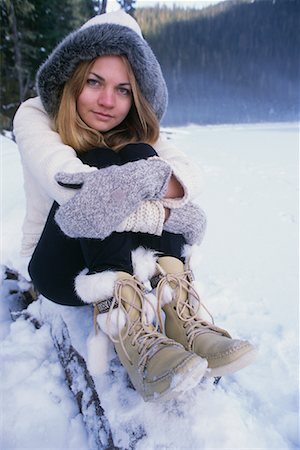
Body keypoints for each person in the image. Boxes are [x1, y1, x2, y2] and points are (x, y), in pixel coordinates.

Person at [13, 10, 256, 402]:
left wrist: (158, 185)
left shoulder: (134, 131)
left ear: (136, 95)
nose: (108, 101)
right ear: (73, 79)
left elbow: (189, 174)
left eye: (123, 89)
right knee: (104, 166)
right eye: (95, 82)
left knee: (147, 158)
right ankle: (128, 331)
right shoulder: (36, 113)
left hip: (126, 256)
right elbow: (75, 192)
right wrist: (169, 212)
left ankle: (178, 314)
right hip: (57, 264)